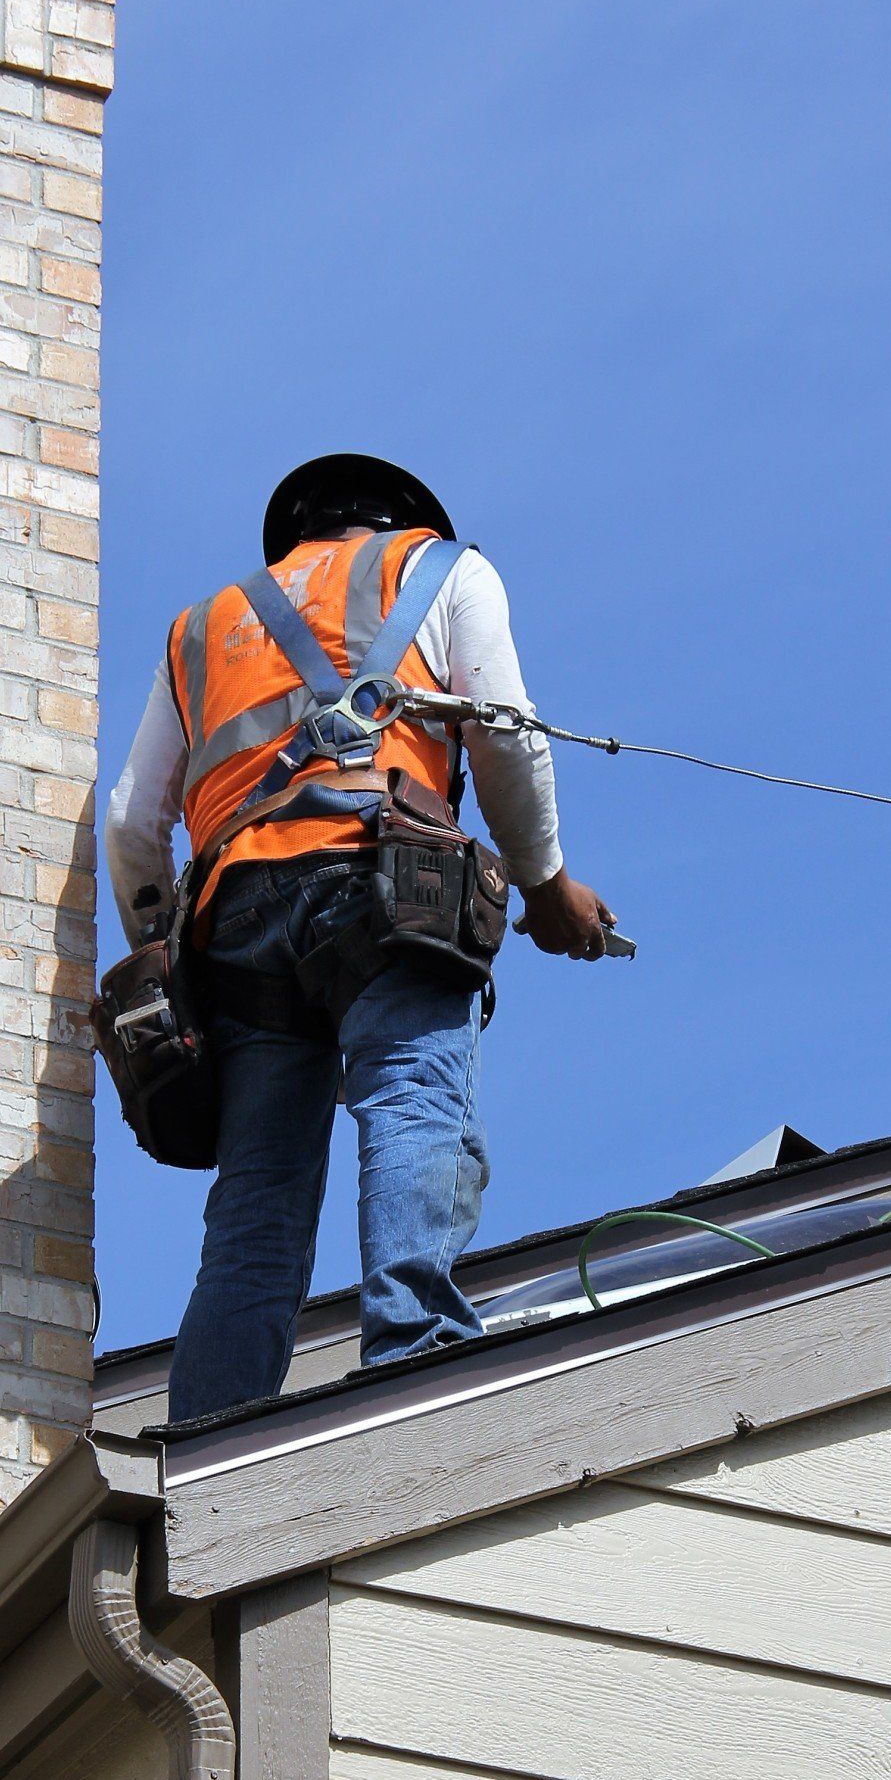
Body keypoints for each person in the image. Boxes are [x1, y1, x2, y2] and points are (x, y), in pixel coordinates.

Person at [106, 452, 613, 1423]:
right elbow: (503, 731)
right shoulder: (441, 567)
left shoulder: (201, 627)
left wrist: (160, 947)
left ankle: (208, 1438)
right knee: (414, 1097)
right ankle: (414, 1362)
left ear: (298, 530)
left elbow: (134, 818)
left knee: (257, 1203)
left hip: (236, 918)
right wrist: (546, 885)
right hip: (386, 878)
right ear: (396, 519)